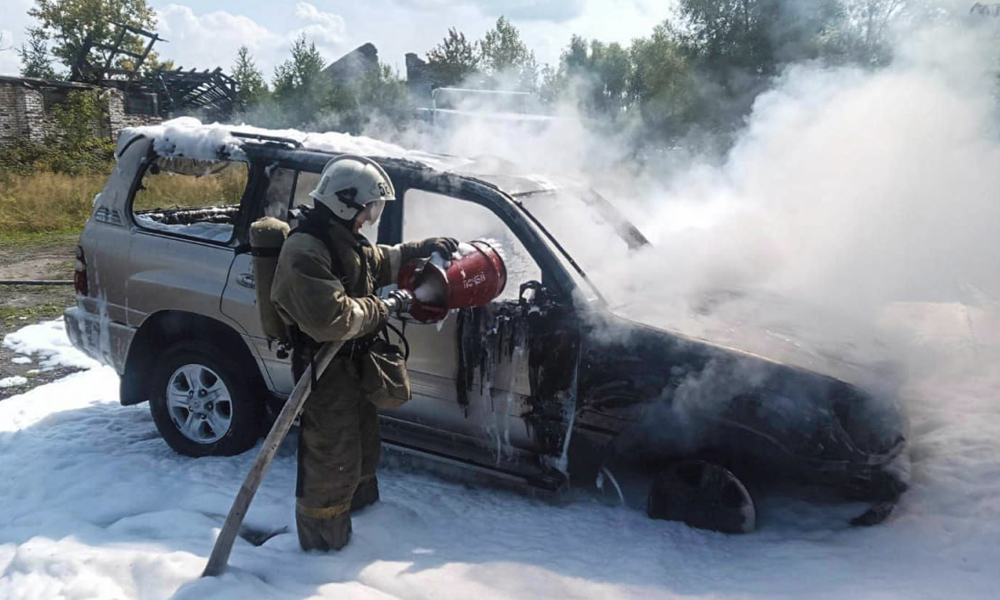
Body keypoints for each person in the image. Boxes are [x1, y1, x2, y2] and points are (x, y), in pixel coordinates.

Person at [270, 154, 458, 551]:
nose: (370, 217)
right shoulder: (305, 250)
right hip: (325, 371)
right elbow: (333, 318)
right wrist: (384, 307)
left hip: (353, 364)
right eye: (369, 208)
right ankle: (324, 549)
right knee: (331, 458)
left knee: (361, 448)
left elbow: (374, 263)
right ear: (344, 202)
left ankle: (365, 524)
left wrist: (418, 249)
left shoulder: (340, 236)